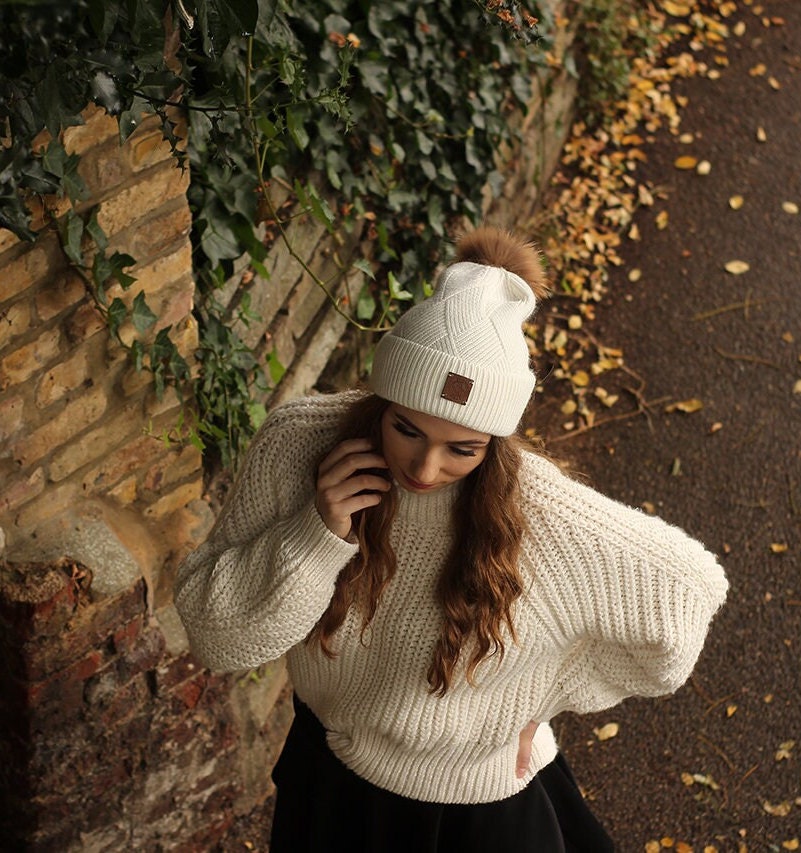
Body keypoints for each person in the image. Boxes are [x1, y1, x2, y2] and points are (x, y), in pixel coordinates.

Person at [175, 226, 728, 852]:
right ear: (381, 398)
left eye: (461, 448)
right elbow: (217, 639)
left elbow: (689, 591)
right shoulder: (300, 443)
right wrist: (315, 535)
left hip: (480, 809)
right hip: (335, 782)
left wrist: (536, 700)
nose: (425, 468)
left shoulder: (538, 510)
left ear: (494, 440)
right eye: (406, 428)